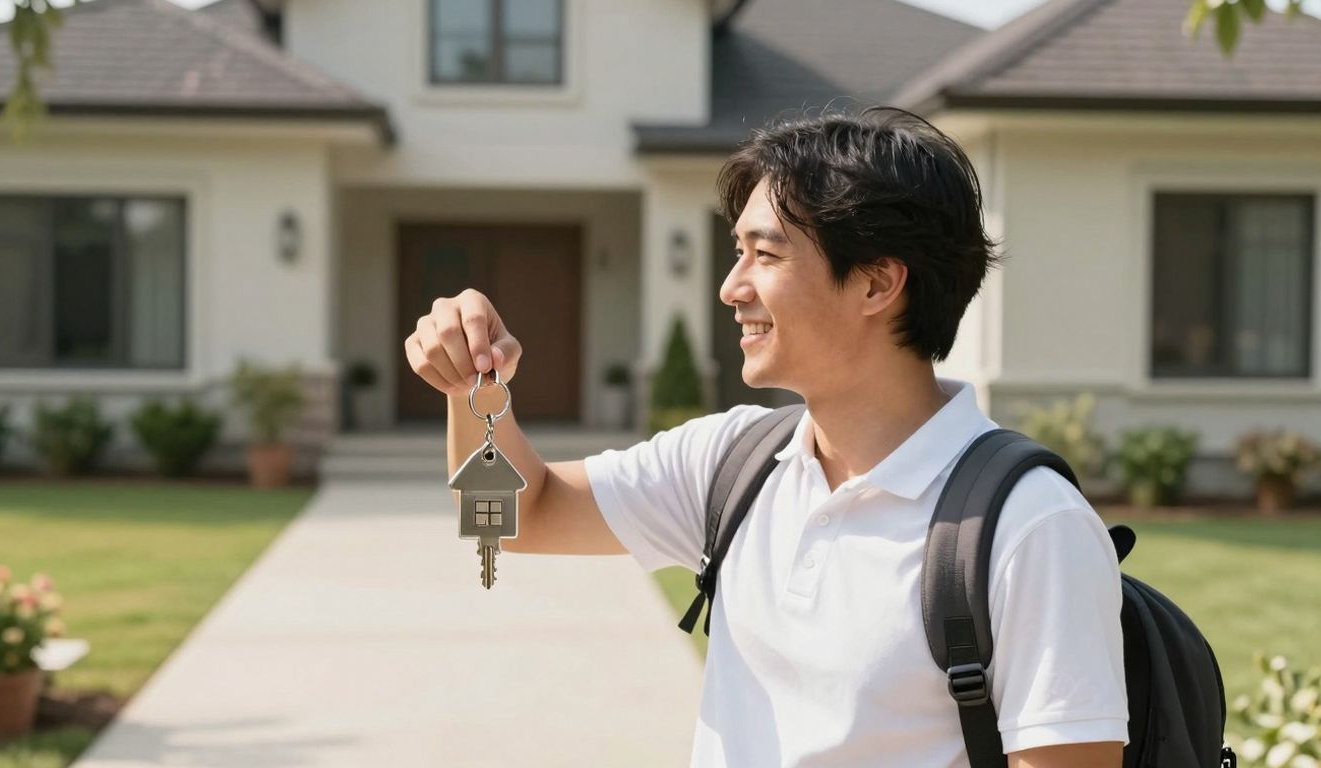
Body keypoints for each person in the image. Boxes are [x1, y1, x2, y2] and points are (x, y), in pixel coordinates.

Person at [403, 105, 1128, 768]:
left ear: (878, 283)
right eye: (736, 251)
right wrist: (476, 393)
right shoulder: (733, 465)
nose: (731, 286)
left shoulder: (1031, 530)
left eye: (765, 254)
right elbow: (509, 520)